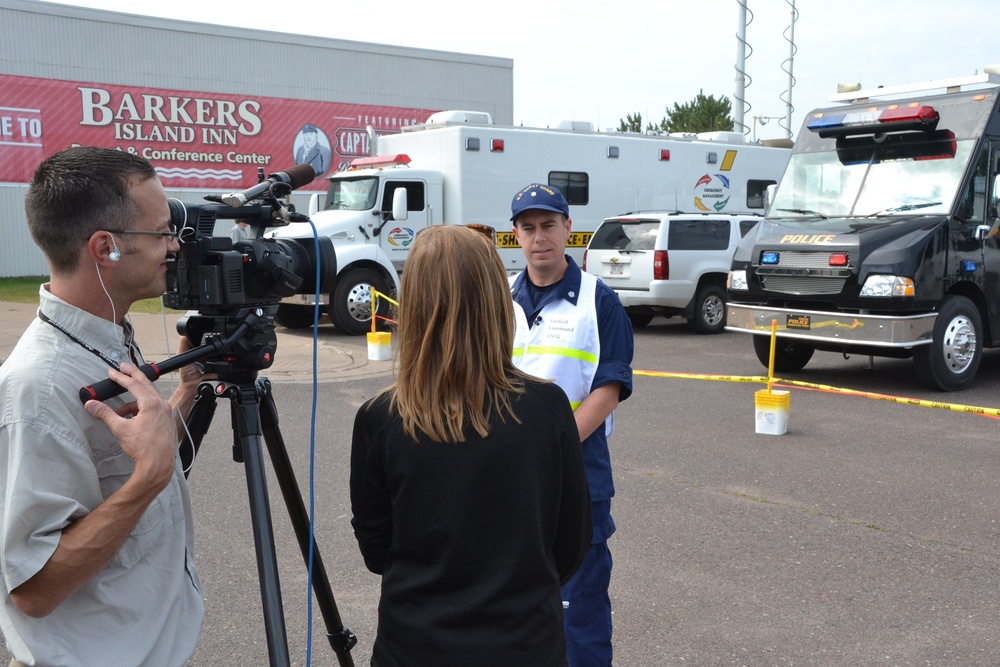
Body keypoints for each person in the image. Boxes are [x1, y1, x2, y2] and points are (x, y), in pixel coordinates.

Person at [0, 147, 207, 666]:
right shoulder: (39, 389)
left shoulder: (106, 337)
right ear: (106, 247)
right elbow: (33, 590)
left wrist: (185, 392)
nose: (174, 244)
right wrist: (149, 478)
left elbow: (123, 464)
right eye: (161, 232)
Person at [351, 225, 592, 667]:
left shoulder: (381, 418)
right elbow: (572, 541)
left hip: (416, 645)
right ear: (497, 304)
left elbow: (377, 549)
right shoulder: (547, 408)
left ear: (415, 308)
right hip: (526, 644)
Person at [508, 183, 634, 667]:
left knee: (577, 611)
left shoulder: (600, 302)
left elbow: (607, 390)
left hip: (577, 477)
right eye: (528, 227)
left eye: (548, 226)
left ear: (568, 230)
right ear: (516, 235)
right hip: (510, 477)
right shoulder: (501, 299)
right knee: (514, 606)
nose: (539, 237)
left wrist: (549, 445)